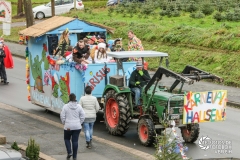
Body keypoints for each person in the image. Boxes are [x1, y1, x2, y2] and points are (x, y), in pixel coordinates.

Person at [60, 93, 85, 160]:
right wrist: (80, 123)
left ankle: (69, 152)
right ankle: (74, 156)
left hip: (68, 126)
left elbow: (62, 116)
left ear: (69, 98)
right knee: (75, 141)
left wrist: (64, 122)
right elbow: (83, 115)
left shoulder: (65, 106)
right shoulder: (79, 106)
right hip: (77, 126)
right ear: (75, 98)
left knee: (67, 139)